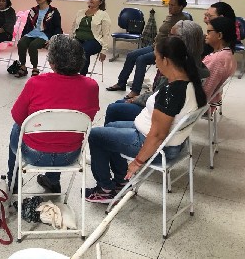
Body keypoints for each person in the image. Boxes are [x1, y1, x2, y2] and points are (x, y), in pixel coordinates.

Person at [86, 36, 207, 203]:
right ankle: (121, 180)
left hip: (157, 147)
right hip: (168, 142)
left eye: (156, 57)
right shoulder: (191, 82)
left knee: (95, 135)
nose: (155, 62)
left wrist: (137, 162)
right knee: (112, 126)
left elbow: (158, 135)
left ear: (165, 60)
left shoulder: (172, 93)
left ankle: (105, 189)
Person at [6, 35, 99, 194]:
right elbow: (88, 120)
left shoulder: (36, 82)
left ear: (51, 62)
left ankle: (13, 181)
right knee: (65, 128)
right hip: (70, 156)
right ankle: (53, 181)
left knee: (17, 127)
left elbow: (18, 117)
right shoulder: (91, 86)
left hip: (34, 155)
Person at [104, 20, 208, 125]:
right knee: (119, 104)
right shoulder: (197, 65)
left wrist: (138, 98)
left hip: (156, 115)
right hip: (164, 111)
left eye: (172, 35)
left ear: (184, 40)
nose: (167, 38)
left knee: (114, 108)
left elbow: (160, 98)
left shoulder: (177, 70)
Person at [106, 0, 188, 98]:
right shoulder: (170, 16)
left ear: (180, 7)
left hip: (165, 50)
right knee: (131, 55)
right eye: (169, 5)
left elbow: (177, 41)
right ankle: (121, 83)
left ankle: (135, 90)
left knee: (141, 60)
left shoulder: (182, 21)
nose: (169, 7)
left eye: (173, 5)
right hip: (156, 46)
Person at [15, 0, 62, 77]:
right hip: (31, 33)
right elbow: (27, 25)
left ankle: (35, 68)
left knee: (33, 45)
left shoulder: (53, 11)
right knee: (21, 43)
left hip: (45, 35)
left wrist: (53, 39)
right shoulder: (33, 10)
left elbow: (57, 27)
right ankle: (23, 67)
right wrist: (23, 36)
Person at [70, 0, 111, 75]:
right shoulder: (80, 12)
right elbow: (73, 28)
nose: (92, 0)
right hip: (78, 39)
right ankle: (70, 74)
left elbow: (106, 34)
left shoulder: (103, 15)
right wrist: (69, 40)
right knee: (68, 49)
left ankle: (82, 76)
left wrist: (104, 51)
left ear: (100, 2)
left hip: (94, 41)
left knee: (84, 51)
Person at [203, 16, 238, 108]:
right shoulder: (227, 53)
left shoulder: (217, 60)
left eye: (209, 32)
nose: (206, 35)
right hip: (209, 101)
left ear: (219, 35)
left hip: (201, 106)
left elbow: (205, 92)